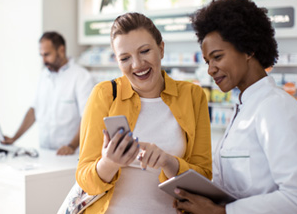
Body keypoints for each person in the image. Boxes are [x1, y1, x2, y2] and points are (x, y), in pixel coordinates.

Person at [173, 0, 297, 214]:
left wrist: (219, 212)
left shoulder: (276, 107)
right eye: (207, 61)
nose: (210, 69)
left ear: (248, 50)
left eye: (217, 57)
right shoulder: (243, 106)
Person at [75, 12, 212, 213]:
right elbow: (84, 180)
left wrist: (168, 161)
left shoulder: (192, 96)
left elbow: (204, 177)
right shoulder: (104, 95)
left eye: (145, 51)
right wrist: (109, 163)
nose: (137, 64)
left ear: (161, 49)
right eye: (125, 58)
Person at [2, 31, 95, 155]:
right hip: (45, 152)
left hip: (71, 154)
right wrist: (14, 138)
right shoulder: (44, 75)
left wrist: (71, 146)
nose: (43, 60)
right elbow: (34, 111)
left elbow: (88, 117)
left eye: (47, 55)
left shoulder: (82, 77)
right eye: (41, 55)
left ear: (61, 50)